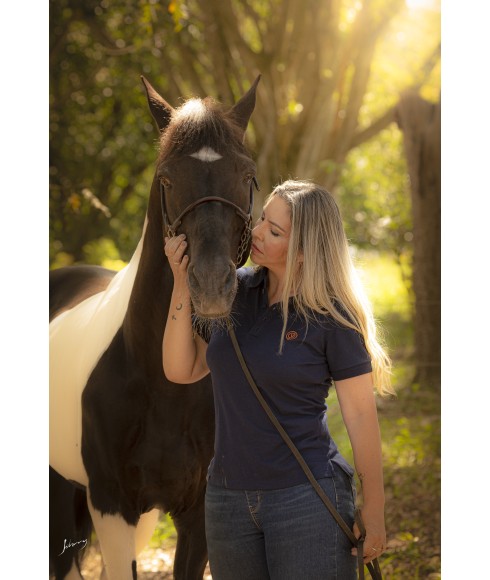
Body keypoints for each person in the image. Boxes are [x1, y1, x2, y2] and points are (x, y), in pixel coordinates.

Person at [162, 180, 393, 580]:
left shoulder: (331, 315)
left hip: (305, 498)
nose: (256, 233)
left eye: (275, 231)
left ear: (304, 250)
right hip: (226, 499)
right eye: (262, 220)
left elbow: (358, 414)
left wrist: (374, 508)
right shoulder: (234, 290)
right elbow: (181, 369)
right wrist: (181, 282)